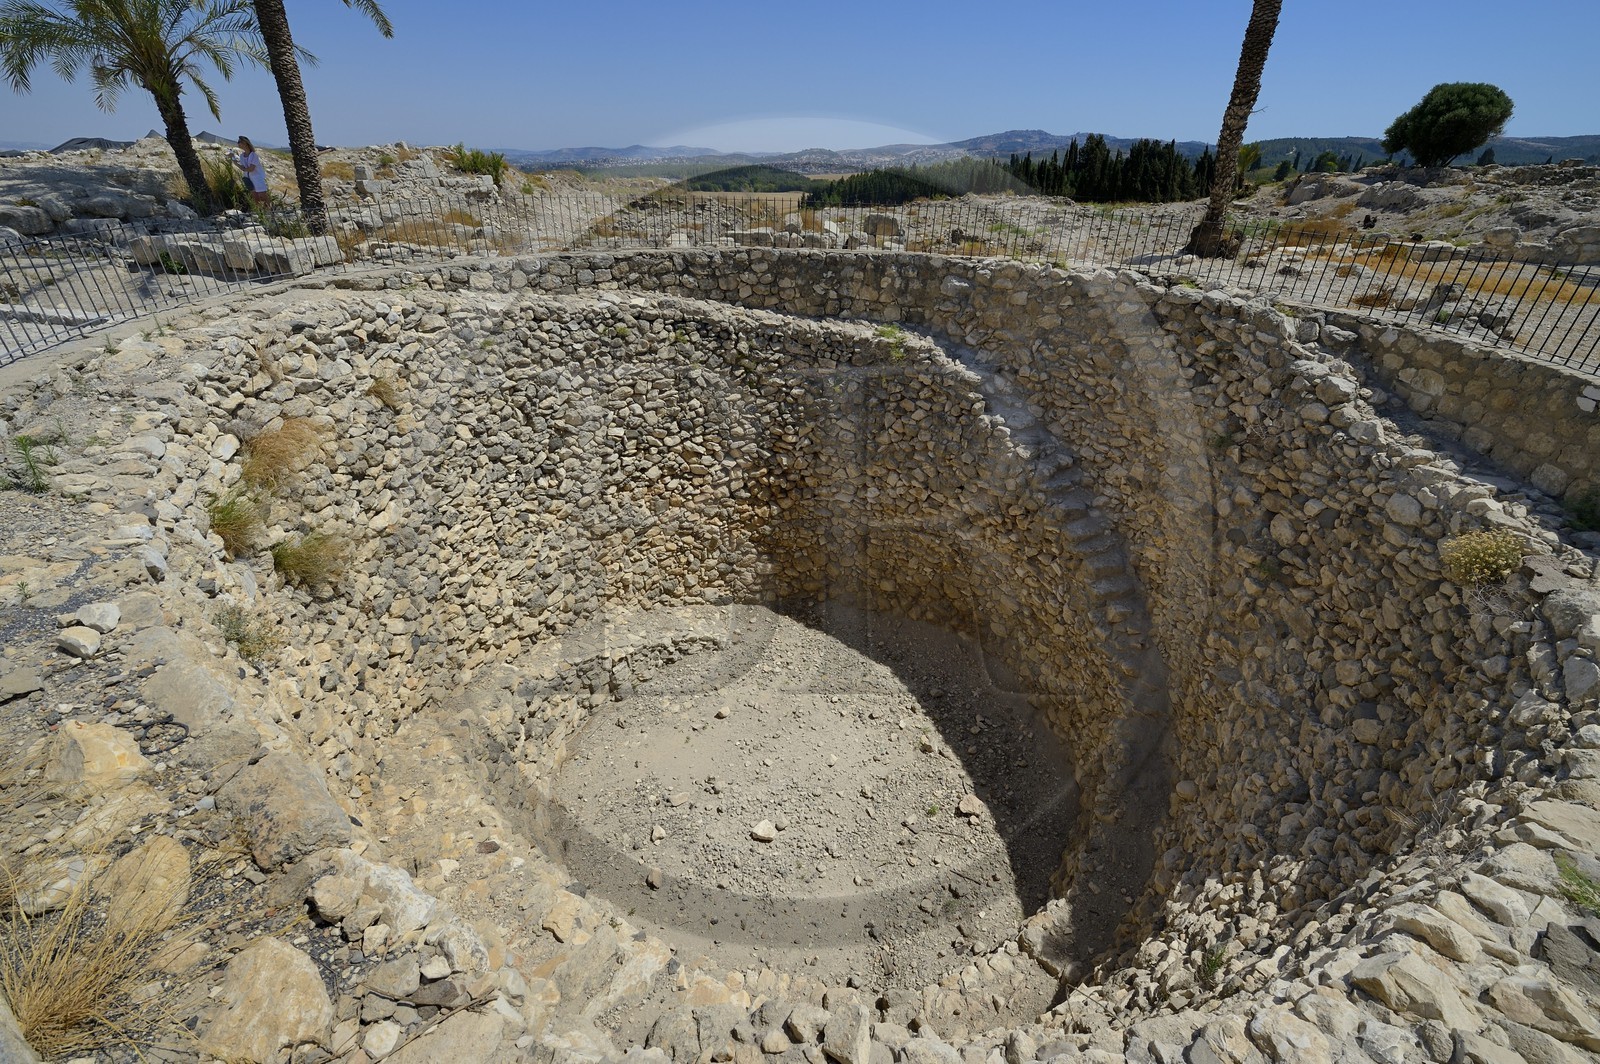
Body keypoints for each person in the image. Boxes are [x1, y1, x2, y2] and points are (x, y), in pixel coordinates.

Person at [231, 136, 269, 206]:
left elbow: (251, 169)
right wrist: (235, 163)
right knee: (255, 198)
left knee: (263, 196)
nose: (238, 144)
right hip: (248, 178)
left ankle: (269, 211)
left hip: (257, 178)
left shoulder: (254, 155)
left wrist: (243, 168)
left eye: (239, 142)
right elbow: (243, 167)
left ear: (245, 143)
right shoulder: (242, 156)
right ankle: (259, 213)